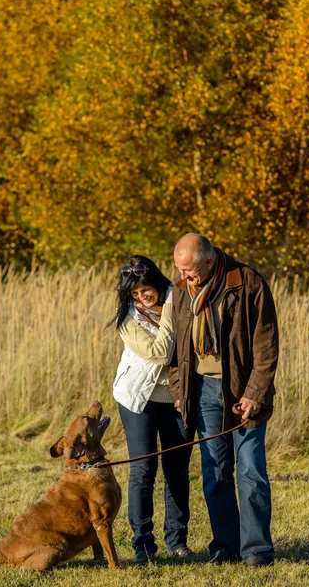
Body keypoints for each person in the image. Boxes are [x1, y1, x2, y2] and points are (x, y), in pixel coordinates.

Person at [169, 233, 278, 568]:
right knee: (215, 473)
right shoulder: (180, 290)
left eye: (189, 271)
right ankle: (224, 547)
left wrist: (255, 393)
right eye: (179, 270)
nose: (183, 277)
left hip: (242, 394)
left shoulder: (248, 283)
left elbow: (266, 345)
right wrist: (179, 389)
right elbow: (176, 348)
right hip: (201, 392)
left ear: (210, 260)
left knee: (250, 471)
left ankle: (257, 551)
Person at [111, 255, 194, 564]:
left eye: (144, 290)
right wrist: (172, 303)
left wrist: (173, 301)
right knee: (144, 471)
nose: (140, 297)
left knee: (177, 471)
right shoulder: (129, 319)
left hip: (177, 399)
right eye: (133, 293)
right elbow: (162, 353)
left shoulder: (182, 302)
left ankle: (177, 541)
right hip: (138, 399)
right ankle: (143, 545)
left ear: (157, 282)